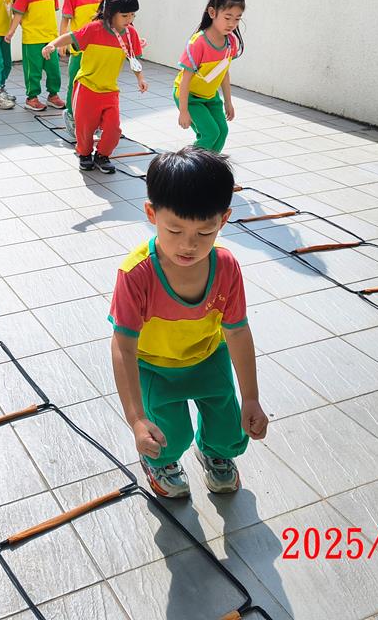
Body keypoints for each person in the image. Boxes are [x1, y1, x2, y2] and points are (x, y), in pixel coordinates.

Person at [109, 148, 268, 498]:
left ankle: (215, 452)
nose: (189, 245)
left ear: (223, 220)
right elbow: (123, 346)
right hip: (155, 366)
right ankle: (160, 462)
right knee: (169, 435)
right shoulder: (136, 274)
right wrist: (136, 418)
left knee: (230, 428)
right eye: (174, 229)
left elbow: (237, 331)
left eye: (205, 232)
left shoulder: (226, 267)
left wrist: (251, 398)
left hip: (209, 357)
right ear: (151, 213)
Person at [42, 0, 146, 174]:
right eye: (125, 15)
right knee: (85, 128)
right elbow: (71, 37)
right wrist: (52, 44)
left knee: (114, 129)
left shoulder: (131, 34)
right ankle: (84, 154)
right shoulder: (94, 29)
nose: (129, 20)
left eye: (133, 15)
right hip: (86, 88)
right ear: (111, 12)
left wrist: (140, 78)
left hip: (110, 91)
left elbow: (134, 58)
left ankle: (102, 155)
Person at [174, 0, 245, 153]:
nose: (232, 24)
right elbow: (185, 80)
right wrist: (183, 111)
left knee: (222, 132)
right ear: (212, 13)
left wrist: (228, 102)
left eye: (237, 19)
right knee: (210, 134)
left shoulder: (231, 42)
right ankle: (190, 164)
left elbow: (224, 73)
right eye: (227, 17)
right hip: (190, 97)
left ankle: (210, 164)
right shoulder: (198, 42)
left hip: (210, 97)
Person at [4, 0, 63, 112]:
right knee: (33, 72)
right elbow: (18, 14)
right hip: (32, 39)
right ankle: (32, 98)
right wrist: (11, 32)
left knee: (54, 70)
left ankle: (53, 95)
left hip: (50, 38)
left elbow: (51, 11)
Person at [59, 0, 107, 140]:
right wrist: (61, 42)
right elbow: (65, 20)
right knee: (75, 82)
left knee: (97, 86)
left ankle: (95, 120)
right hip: (79, 50)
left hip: (98, 51)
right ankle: (71, 114)